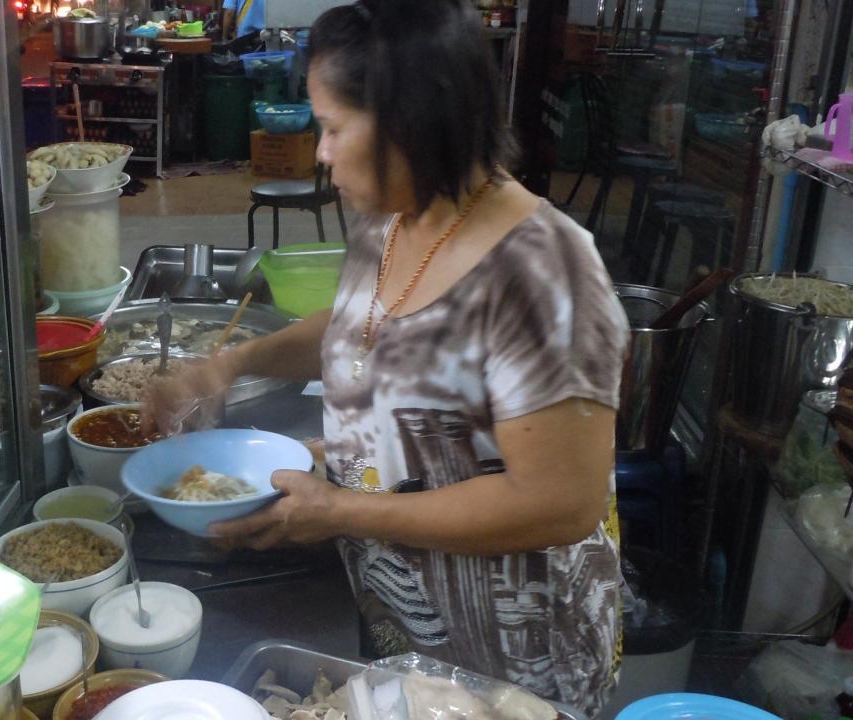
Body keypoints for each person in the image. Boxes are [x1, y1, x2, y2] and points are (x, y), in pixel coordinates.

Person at [146, 0, 627, 713]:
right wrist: (231, 364)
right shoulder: (395, 217)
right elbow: (362, 328)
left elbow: (559, 503)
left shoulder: (544, 273)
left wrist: (343, 510)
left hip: (513, 653)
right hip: (403, 616)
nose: (322, 152)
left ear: (409, 121)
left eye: (335, 127)